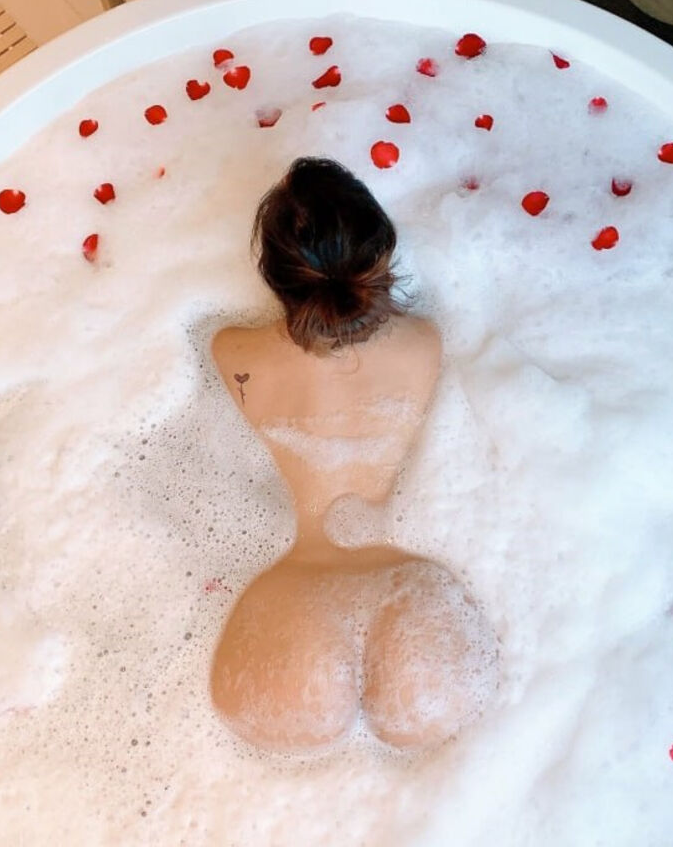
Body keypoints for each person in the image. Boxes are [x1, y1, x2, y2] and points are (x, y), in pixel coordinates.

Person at [210, 157, 498, 751]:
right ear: (380, 262)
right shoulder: (427, 340)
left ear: (274, 278)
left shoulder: (232, 351)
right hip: (414, 592)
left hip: (295, 593)